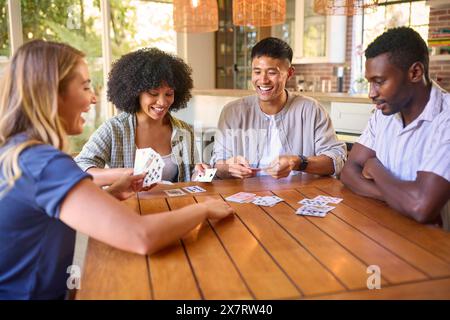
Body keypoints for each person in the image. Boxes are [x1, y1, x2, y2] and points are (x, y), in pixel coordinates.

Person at [0, 40, 234, 299]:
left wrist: (110, 194)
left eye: (168, 93)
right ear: (51, 92)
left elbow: (62, 214)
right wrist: (204, 209)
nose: (94, 97)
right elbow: (141, 236)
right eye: (86, 86)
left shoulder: (21, 153)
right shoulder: (45, 164)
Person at [340, 27, 450, 230]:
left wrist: (375, 168)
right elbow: (348, 172)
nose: (371, 94)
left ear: (415, 72)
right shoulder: (384, 114)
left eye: (379, 82)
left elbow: (420, 206)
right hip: (384, 232)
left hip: (434, 248)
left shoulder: (446, 118)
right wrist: (398, 199)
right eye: (369, 83)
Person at [211, 37, 347, 179]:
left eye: (272, 73)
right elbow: (216, 163)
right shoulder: (232, 112)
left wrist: (298, 162)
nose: (263, 80)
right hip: (246, 195)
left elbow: (337, 160)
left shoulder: (311, 110)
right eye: (257, 72)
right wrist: (228, 167)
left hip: (298, 195)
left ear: (289, 73)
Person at [75, 48, 206, 186]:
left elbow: (188, 174)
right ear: (135, 92)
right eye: (153, 93)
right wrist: (127, 174)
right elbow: (80, 169)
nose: (162, 102)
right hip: (129, 206)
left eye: (169, 94)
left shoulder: (184, 130)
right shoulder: (115, 128)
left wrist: (198, 173)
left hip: (175, 205)